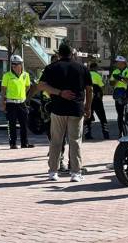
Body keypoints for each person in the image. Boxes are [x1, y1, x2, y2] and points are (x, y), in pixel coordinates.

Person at [37, 43, 91, 182]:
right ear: (72, 53)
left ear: (59, 54)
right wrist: (88, 107)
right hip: (76, 109)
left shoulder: (51, 68)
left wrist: (59, 93)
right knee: (75, 141)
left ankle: (53, 172)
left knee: (56, 141)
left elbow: (41, 85)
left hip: (58, 109)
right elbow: (89, 89)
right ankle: (75, 173)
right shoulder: (82, 68)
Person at [1, 54, 33, 149]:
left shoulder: (25, 75)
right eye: (12, 64)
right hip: (11, 103)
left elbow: (28, 86)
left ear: (21, 64)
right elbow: (3, 90)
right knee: (12, 124)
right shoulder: (7, 75)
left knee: (24, 123)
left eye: (16, 64)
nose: (14, 66)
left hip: (22, 102)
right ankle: (13, 143)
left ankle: (25, 143)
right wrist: (3, 102)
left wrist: (22, 94)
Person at [84, 61, 110, 140]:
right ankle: (106, 135)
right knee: (102, 118)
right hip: (97, 99)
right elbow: (102, 86)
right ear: (94, 68)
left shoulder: (85, 75)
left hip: (88, 98)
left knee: (87, 118)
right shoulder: (97, 75)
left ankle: (87, 135)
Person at [109, 55, 128, 135]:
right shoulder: (115, 71)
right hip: (118, 95)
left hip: (127, 95)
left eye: (118, 62)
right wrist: (116, 80)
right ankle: (121, 131)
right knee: (120, 114)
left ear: (123, 63)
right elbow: (111, 83)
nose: (116, 64)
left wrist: (121, 78)